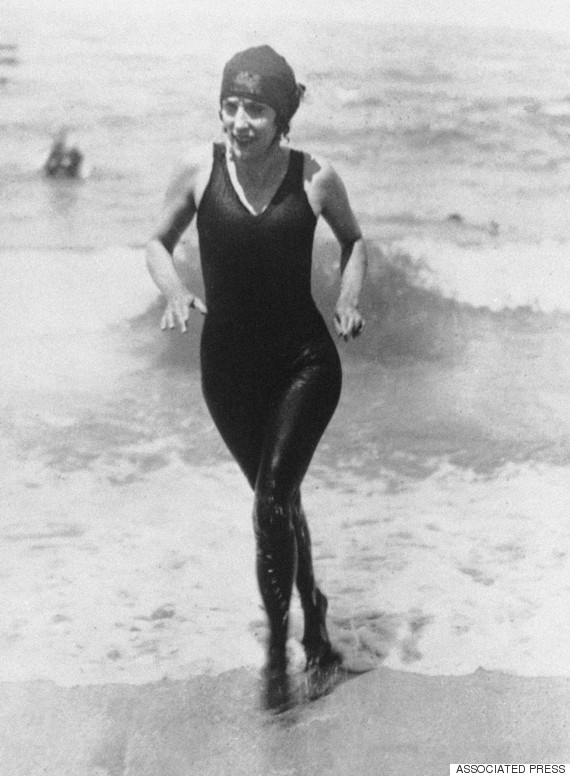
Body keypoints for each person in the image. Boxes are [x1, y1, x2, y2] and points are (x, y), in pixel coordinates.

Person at [146, 45, 367, 708]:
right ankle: (317, 621)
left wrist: (350, 299)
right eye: (232, 105)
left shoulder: (316, 177)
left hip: (305, 363)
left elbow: (356, 241)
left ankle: (279, 658)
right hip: (228, 371)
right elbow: (156, 243)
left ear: (282, 117)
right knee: (281, 502)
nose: (240, 120)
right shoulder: (196, 170)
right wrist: (175, 291)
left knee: (271, 500)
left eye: (257, 109)